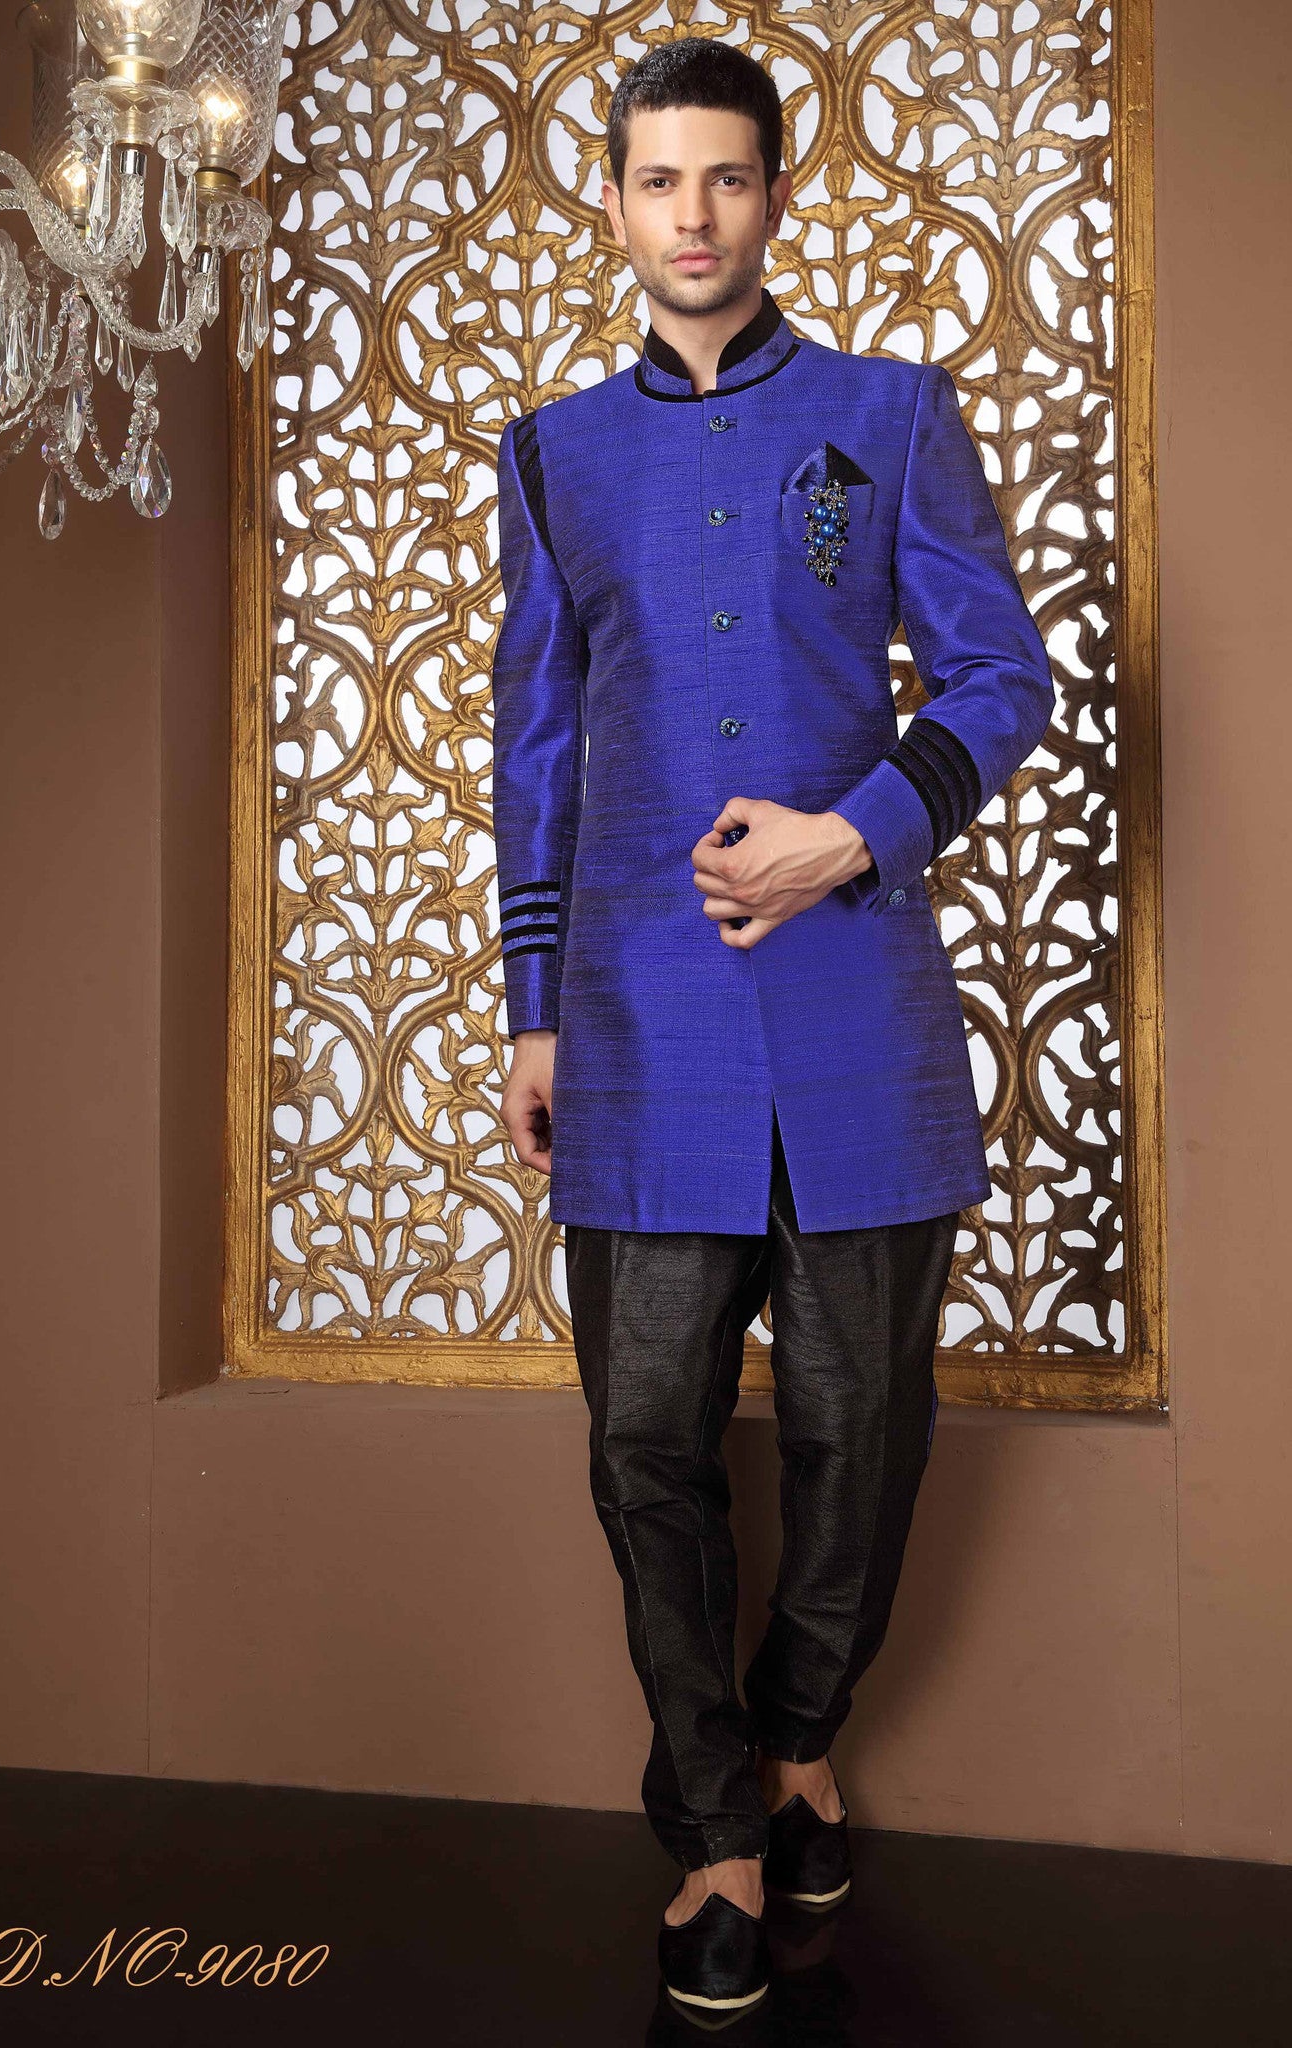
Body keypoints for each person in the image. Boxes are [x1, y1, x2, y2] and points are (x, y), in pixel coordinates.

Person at [489, 36, 1055, 2015]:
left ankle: (801, 1739)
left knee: (858, 1428)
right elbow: (538, 751)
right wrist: (531, 1011)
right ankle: (718, 1825)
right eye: (658, 180)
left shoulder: (884, 419)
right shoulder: (554, 455)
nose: (694, 214)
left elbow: (999, 676)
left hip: (852, 1006)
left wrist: (854, 832)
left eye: (726, 177)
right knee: (644, 1435)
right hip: (636, 1020)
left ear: (774, 195)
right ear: (614, 203)